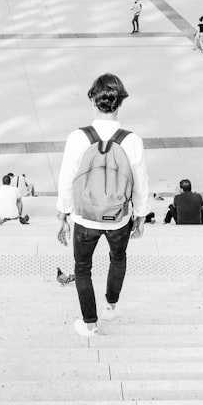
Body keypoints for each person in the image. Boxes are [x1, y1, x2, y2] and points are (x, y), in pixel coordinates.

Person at [56, 73, 150, 337]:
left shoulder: (78, 137)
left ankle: (89, 323)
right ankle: (111, 305)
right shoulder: (131, 140)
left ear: (93, 101)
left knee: (82, 268)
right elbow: (140, 182)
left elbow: (66, 180)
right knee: (118, 258)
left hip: (85, 218)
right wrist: (141, 215)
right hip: (119, 218)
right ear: (120, 103)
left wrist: (63, 214)